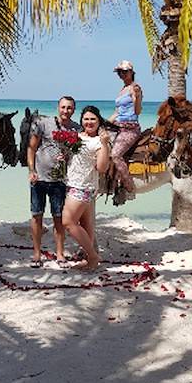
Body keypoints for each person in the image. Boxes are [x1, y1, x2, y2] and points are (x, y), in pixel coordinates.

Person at [26, 96, 80, 268]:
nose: (66, 111)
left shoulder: (76, 129)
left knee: (58, 219)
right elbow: (31, 148)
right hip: (39, 179)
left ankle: (59, 253)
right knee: (36, 216)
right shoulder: (43, 124)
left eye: (69, 108)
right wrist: (31, 170)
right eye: (63, 107)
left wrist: (67, 156)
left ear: (74, 110)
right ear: (58, 107)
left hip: (60, 181)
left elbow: (78, 153)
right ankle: (36, 254)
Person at [62, 105, 111, 271]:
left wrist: (105, 145)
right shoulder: (77, 136)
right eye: (86, 119)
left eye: (93, 119)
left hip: (83, 187)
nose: (89, 122)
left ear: (99, 121)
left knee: (67, 222)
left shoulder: (99, 141)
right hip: (74, 183)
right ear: (81, 120)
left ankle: (93, 255)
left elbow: (102, 168)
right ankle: (90, 262)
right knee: (86, 225)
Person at [108, 60, 142, 196]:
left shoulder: (135, 88)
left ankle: (129, 186)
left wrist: (138, 97)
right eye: (119, 72)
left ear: (131, 72)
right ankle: (109, 182)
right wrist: (103, 123)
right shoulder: (122, 90)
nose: (121, 74)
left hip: (130, 128)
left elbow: (137, 111)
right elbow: (117, 112)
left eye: (124, 71)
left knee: (115, 155)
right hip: (118, 126)